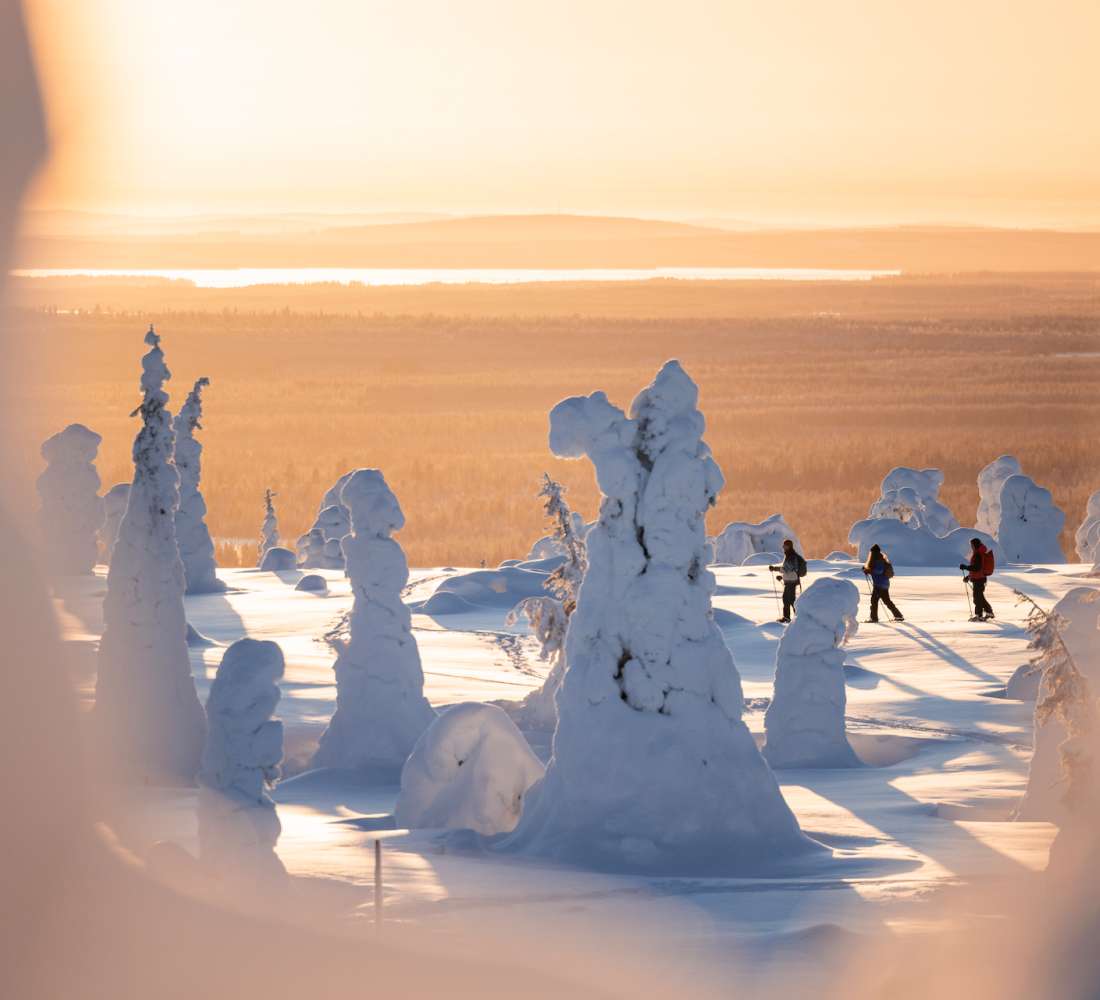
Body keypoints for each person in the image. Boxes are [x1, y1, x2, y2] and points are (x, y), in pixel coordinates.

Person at [862, 544, 904, 622]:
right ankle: (898, 615)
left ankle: (874, 618)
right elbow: (878, 571)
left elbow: (879, 571)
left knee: (874, 601)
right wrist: (867, 570)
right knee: (886, 601)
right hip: (884, 584)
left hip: (879, 585)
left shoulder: (878, 560)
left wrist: (869, 571)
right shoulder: (881, 559)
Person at [768, 538, 807, 623]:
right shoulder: (789, 555)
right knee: (789, 599)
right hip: (790, 580)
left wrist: (775, 568)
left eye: (785, 545)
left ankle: (792, 618)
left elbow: (787, 569)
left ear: (789, 546)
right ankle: (794, 618)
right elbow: (789, 570)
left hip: (791, 582)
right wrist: (782, 577)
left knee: (788, 599)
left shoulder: (791, 556)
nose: (783, 547)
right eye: (783, 545)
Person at [960, 537, 995, 621]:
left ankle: (979, 616)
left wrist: (965, 567)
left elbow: (976, 568)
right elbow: (977, 569)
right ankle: (989, 612)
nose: (971, 547)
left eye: (971, 545)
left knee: (977, 598)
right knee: (980, 597)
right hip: (979, 579)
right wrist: (968, 577)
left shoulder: (978, 555)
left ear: (975, 545)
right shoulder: (978, 554)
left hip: (979, 580)